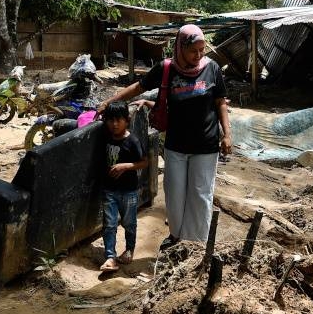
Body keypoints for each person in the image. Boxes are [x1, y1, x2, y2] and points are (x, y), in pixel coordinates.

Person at [97, 24, 232, 250]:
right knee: (174, 194)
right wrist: (109, 102)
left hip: (206, 145)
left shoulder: (213, 69)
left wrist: (227, 134)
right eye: (193, 51)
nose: (198, 56)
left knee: (200, 195)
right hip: (175, 145)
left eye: (202, 50)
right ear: (180, 47)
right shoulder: (167, 68)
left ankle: (196, 244)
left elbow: (220, 103)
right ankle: (177, 238)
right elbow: (138, 87)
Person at [99, 101, 149, 273]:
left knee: (129, 222)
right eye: (111, 120)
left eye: (118, 120)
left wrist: (126, 166)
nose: (114, 124)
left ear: (127, 120)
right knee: (110, 224)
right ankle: (110, 257)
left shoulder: (133, 140)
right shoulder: (106, 136)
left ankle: (129, 250)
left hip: (129, 191)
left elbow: (144, 162)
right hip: (109, 190)